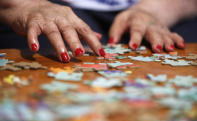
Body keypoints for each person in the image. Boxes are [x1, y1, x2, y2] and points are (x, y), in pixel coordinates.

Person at [0, 0, 197, 62]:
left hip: (158, 7)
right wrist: (26, 5)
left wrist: (152, 10)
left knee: (172, 54)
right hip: (50, 5)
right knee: (50, 58)